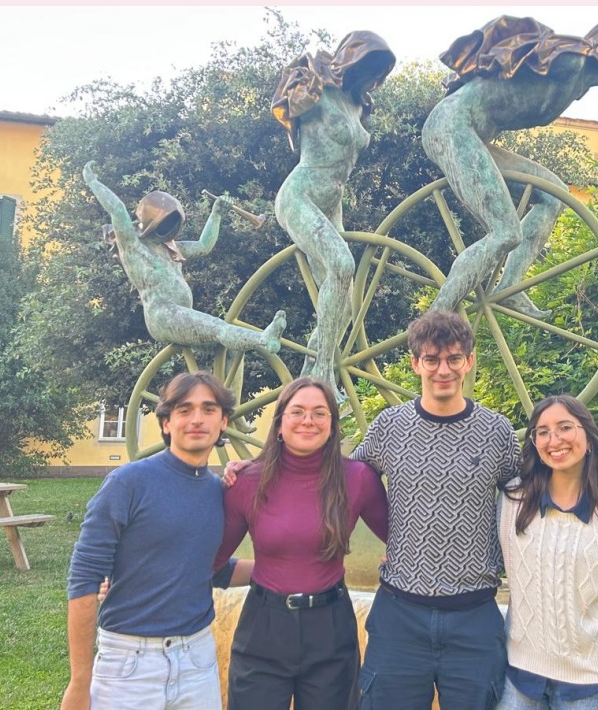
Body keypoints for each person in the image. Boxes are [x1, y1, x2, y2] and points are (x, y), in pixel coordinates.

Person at [348, 311, 598, 709]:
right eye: (431, 359)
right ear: (415, 363)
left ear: (469, 361)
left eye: (454, 358)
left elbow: (540, 481)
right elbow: (351, 479)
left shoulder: (495, 430)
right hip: (400, 613)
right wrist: (388, 536)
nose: (443, 370)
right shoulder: (389, 426)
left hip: (474, 617)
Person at [422, 15, 598, 316]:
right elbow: (530, 49)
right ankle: (434, 321)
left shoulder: (579, 79)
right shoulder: (570, 61)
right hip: (451, 127)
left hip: (473, 135)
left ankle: (510, 286)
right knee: (505, 233)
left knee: (554, 194)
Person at [62, 371, 251, 710]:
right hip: (128, 664)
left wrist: (288, 569)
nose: (197, 419)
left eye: (209, 409)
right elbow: (84, 579)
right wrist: (80, 681)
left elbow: (210, 570)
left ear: (223, 422)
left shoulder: (218, 491)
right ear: (166, 422)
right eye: (184, 410)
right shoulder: (127, 483)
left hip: (197, 660)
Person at [214, 376, 389, 710]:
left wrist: (396, 562)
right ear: (279, 424)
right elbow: (209, 562)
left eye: (320, 413)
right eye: (297, 412)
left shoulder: (358, 479)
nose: (308, 420)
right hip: (263, 628)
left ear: (332, 426)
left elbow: (404, 539)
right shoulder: (246, 481)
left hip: (331, 628)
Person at [272, 31, 396, 398]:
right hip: (301, 195)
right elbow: (287, 103)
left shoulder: (357, 106)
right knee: (342, 266)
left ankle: (307, 376)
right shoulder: (318, 91)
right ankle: (324, 371)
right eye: (370, 67)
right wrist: (303, 83)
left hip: (331, 203)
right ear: (353, 61)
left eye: (379, 72)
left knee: (345, 302)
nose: (374, 78)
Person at [498, 395, 598, 710]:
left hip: (593, 683)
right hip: (518, 677)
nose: (554, 440)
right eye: (543, 432)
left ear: (588, 437)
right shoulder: (512, 500)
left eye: (565, 427)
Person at [83, 161, 286, 354]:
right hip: (162, 315)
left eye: (171, 222)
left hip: (181, 314)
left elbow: (203, 246)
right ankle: (263, 339)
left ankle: (231, 378)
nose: (168, 228)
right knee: (218, 327)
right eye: (164, 222)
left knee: (230, 349)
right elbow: (118, 210)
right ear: (150, 223)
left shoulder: (171, 248)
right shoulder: (133, 247)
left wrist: (215, 215)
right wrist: (93, 182)